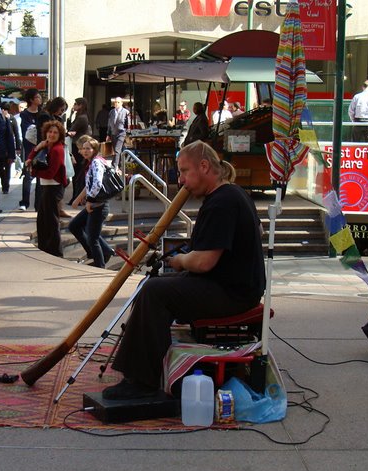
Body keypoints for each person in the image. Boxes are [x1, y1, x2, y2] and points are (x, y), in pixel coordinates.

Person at [101, 141, 266, 400]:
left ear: (204, 166)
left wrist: (180, 261)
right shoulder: (231, 194)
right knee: (151, 284)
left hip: (233, 293)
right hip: (232, 285)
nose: (181, 180)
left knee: (155, 291)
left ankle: (141, 382)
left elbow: (204, 262)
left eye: (184, 171)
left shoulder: (223, 201)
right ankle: (140, 367)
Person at [68, 135, 114, 268]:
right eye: (83, 148)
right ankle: (102, 252)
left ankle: (100, 265)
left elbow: (97, 184)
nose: (85, 151)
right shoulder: (92, 162)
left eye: (88, 148)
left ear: (94, 150)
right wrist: (78, 199)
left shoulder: (96, 162)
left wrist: (89, 201)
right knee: (75, 226)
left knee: (92, 238)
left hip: (98, 205)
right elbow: (89, 185)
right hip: (96, 204)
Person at [26, 120, 69, 258]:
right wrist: (37, 147)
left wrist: (34, 172)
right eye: (50, 132)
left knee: (51, 221)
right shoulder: (46, 146)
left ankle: (56, 252)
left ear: (60, 135)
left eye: (55, 132)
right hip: (46, 186)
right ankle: (44, 248)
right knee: (42, 220)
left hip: (54, 188)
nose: (52, 134)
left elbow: (51, 172)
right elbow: (29, 159)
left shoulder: (57, 149)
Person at [18, 88, 43, 211]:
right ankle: (24, 202)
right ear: (31, 99)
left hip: (41, 150)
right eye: (37, 97)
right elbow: (27, 133)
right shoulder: (24, 115)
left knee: (40, 176)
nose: (40, 99)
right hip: (29, 149)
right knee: (28, 176)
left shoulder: (42, 113)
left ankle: (38, 204)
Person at [106, 97, 128, 165]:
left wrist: (126, 133)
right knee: (115, 150)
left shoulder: (125, 112)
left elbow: (127, 124)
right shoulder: (111, 112)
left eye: (118, 102)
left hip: (121, 132)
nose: (116, 104)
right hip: (113, 133)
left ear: (121, 103)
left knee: (117, 150)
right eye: (115, 102)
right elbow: (109, 124)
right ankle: (119, 164)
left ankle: (115, 165)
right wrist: (108, 134)